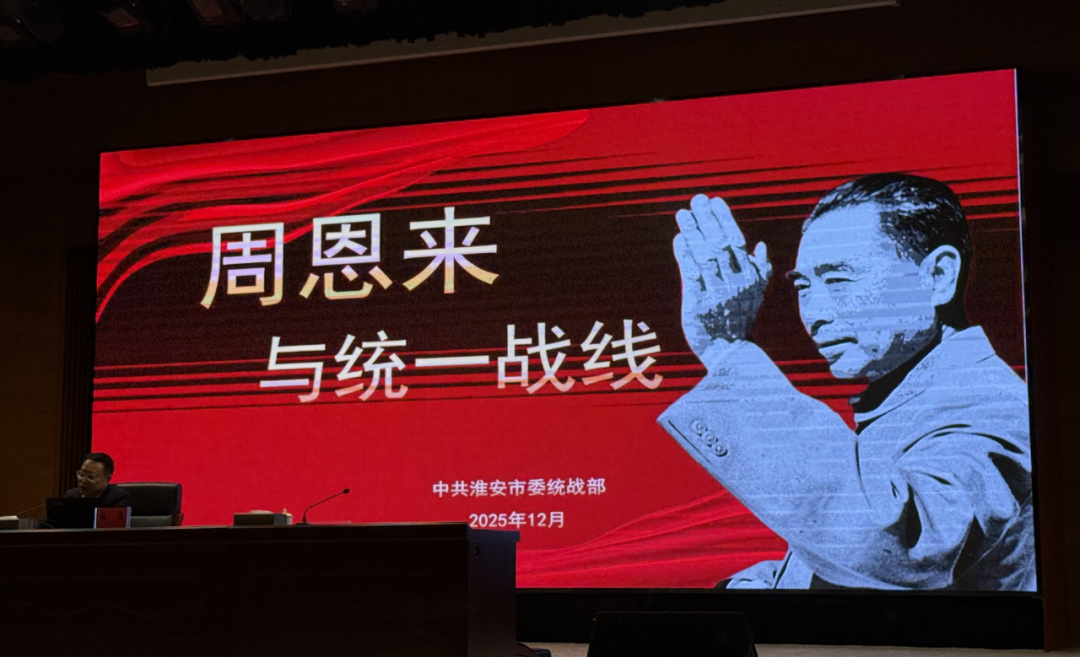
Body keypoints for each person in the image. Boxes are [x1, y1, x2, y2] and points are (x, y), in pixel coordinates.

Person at [659, 173, 1034, 591]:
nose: (815, 314)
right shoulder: (916, 396)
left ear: (938, 276)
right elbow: (845, 571)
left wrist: (726, 351)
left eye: (839, 280)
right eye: (804, 286)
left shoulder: (993, 405)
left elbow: (899, 547)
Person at [65, 453, 133, 508]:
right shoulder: (70, 496)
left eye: (91, 477)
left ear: (107, 479)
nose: (84, 480)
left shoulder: (119, 499)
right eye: (81, 474)